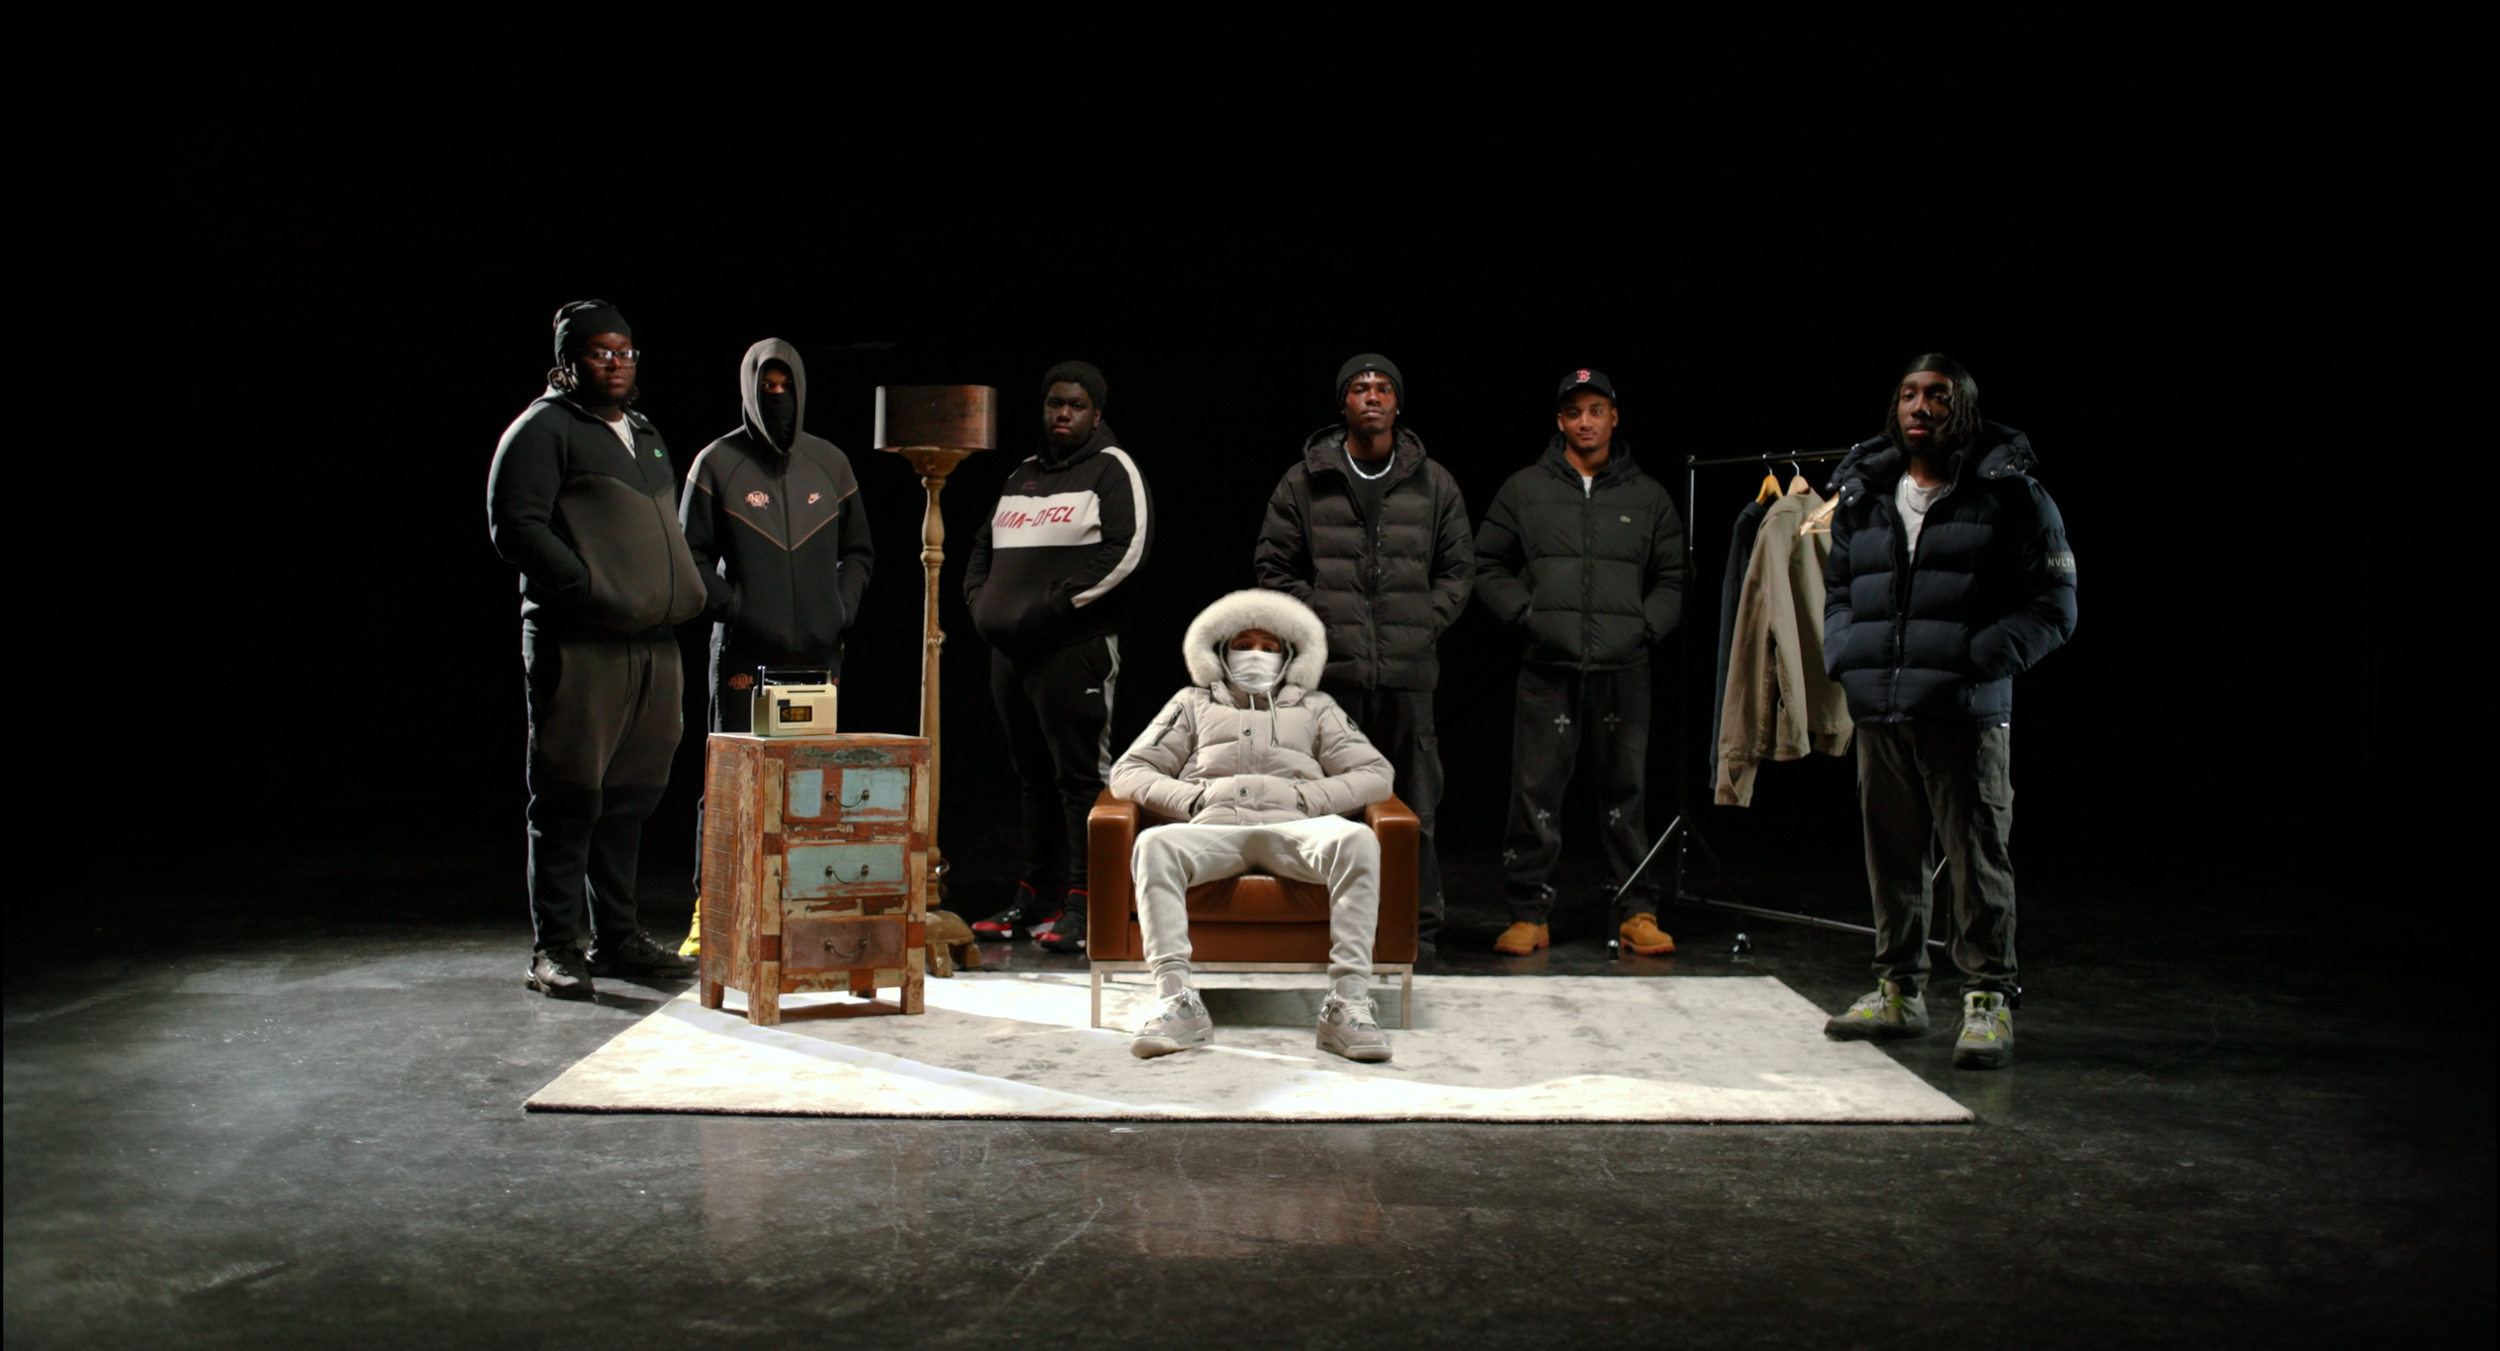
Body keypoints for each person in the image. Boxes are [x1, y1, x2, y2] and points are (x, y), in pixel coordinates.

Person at [1818, 354, 2077, 1070]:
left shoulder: (2012, 495)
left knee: (1976, 859)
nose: (1919, 407)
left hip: (1964, 714)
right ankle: (1899, 993)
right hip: (1881, 709)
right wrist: (1845, 653)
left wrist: (1973, 659)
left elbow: (2057, 607)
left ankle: (1988, 998)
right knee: (1892, 859)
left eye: (1936, 395)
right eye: (1908, 394)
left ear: (1962, 409)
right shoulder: (1865, 494)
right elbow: (1838, 590)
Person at [486, 300, 705, 999]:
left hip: (651, 645)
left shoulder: (644, 432)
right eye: (599, 352)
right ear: (568, 360)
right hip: (581, 642)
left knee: (629, 799)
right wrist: (588, 587)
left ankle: (617, 937)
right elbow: (515, 527)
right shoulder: (542, 429)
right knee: (569, 797)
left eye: (626, 352)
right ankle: (555, 947)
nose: (616, 363)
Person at [1107, 589, 1397, 1061]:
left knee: (1358, 839)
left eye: (1269, 646)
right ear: (1220, 652)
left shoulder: (1317, 706)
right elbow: (1129, 771)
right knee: (1154, 844)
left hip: (1293, 829)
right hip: (1214, 828)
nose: (1256, 655)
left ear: (1290, 655)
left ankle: (1346, 1004)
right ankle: (1177, 1002)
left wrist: (1306, 798)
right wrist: (1194, 798)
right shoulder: (1191, 702)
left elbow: (1376, 773)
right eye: (1244, 644)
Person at [1253, 353, 1471, 951]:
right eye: (1358, 387)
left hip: (1407, 672)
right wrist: (1321, 622)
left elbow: (1458, 570)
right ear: (1343, 404)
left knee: (1416, 807)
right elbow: (1272, 566)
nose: (1371, 396)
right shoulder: (1305, 479)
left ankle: (1416, 931)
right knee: (1328, 808)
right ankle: (1329, 929)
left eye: (1382, 388)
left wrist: (1420, 623)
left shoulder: (1434, 481)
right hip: (1332, 676)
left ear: (1398, 404)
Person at [1473, 369, 1687, 957]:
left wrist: (1644, 627)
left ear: (1614, 417)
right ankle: (1528, 914)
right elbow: (1486, 564)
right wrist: (1526, 616)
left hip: (1624, 670)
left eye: (1596, 410)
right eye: (1574, 412)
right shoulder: (1524, 489)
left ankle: (1638, 912)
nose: (1585, 422)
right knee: (1534, 794)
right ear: (1560, 421)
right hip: (1548, 667)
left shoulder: (1648, 496)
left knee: (1628, 794)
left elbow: (1674, 578)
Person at [677, 339, 875, 948]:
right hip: (746, 653)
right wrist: (737, 608)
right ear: (749, 389)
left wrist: (839, 609)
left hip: (818, 654)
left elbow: (859, 551)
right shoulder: (717, 464)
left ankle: (800, 910)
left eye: (787, 387)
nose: (779, 397)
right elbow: (689, 557)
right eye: (768, 387)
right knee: (731, 785)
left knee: (815, 785)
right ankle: (712, 914)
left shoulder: (831, 464)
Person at [963, 361, 1152, 951]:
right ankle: (1037, 895)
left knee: (1080, 778)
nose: (1063, 414)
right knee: (1032, 778)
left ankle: (1087, 901)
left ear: (1096, 413)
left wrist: (1052, 609)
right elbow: (983, 548)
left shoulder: (1113, 469)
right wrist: (981, 606)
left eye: (1075, 405)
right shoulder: (1021, 475)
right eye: (1054, 405)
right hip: (1011, 653)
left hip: (1074, 648)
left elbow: (1126, 550)